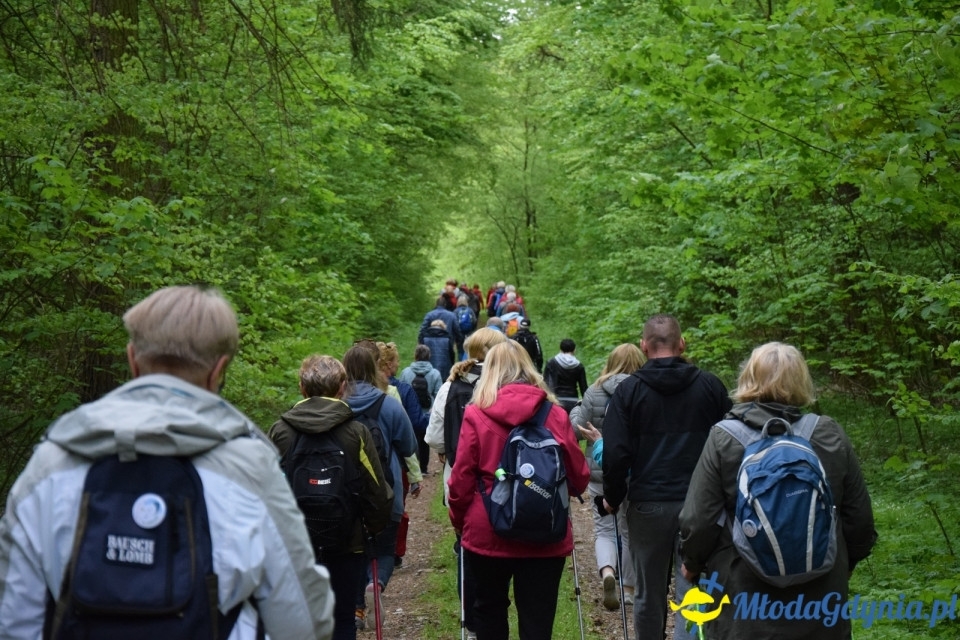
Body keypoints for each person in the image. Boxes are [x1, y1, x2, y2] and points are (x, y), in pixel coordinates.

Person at [0, 285, 334, 639]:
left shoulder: (54, 460)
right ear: (218, 370)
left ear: (132, 359)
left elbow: (13, 618)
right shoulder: (249, 467)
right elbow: (302, 621)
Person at [678, 342, 877, 640]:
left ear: (748, 378)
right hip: (821, 603)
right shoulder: (828, 433)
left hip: (743, 601)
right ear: (801, 381)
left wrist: (692, 565)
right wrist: (842, 565)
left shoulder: (724, 438)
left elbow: (698, 519)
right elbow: (860, 521)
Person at [448, 340, 591, 640]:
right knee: (538, 618)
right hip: (545, 530)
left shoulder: (476, 414)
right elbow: (578, 478)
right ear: (529, 368)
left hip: (488, 527)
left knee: (488, 610)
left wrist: (460, 522)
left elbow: (461, 479)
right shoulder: (555, 414)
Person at [601, 314, 732, 640]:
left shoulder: (628, 392)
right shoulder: (711, 387)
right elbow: (731, 444)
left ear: (644, 346)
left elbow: (616, 454)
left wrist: (613, 498)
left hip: (648, 506)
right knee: (693, 592)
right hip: (701, 507)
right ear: (682, 343)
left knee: (648, 594)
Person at [269, 354, 394, 640]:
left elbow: (261, 493)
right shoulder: (356, 432)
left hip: (294, 548)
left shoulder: (280, 432)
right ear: (342, 387)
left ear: (302, 387)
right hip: (347, 544)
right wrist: (370, 529)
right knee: (342, 622)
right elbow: (378, 492)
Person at [424, 327, 507, 639]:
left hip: (461, 480)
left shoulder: (451, 386)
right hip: (504, 479)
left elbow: (432, 436)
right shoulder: (509, 385)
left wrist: (447, 450)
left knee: (468, 549)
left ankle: (473, 623)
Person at [342, 345, 418, 631]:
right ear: (375, 368)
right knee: (384, 549)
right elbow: (409, 445)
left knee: (353, 550)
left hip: (346, 492)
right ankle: (377, 584)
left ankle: (358, 610)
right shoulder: (388, 404)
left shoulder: (337, 405)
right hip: (387, 491)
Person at [570, 343, 645, 611]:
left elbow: (575, 429)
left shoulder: (595, 391)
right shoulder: (644, 391)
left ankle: (607, 571)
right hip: (634, 472)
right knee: (629, 529)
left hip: (600, 472)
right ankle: (628, 587)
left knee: (603, 529)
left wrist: (579, 408)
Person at [543, 338, 589, 414]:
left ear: (560, 349)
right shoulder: (579, 366)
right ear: (574, 350)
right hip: (573, 400)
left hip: (556, 400)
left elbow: (546, 383)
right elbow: (583, 387)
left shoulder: (551, 363)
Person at [399, 344, 443, 412]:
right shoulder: (435, 374)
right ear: (429, 356)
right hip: (429, 413)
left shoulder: (405, 372)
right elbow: (439, 397)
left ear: (415, 356)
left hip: (409, 413)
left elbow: (400, 394)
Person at [419, 295, 464, 359]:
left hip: (430, 345)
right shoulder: (452, 315)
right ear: (445, 304)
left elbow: (423, 329)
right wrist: (458, 342)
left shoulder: (429, 315)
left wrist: (421, 342)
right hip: (447, 345)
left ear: (436, 304)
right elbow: (457, 330)